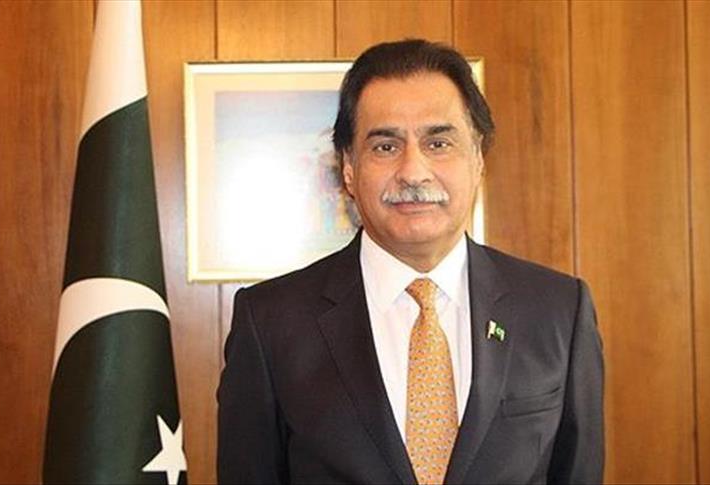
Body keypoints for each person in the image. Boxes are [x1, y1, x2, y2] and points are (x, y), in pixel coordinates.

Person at [218, 39, 604, 485]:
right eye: (385, 147)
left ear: (478, 159)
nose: (413, 172)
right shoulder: (270, 322)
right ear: (348, 168)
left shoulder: (558, 311)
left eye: (438, 142)